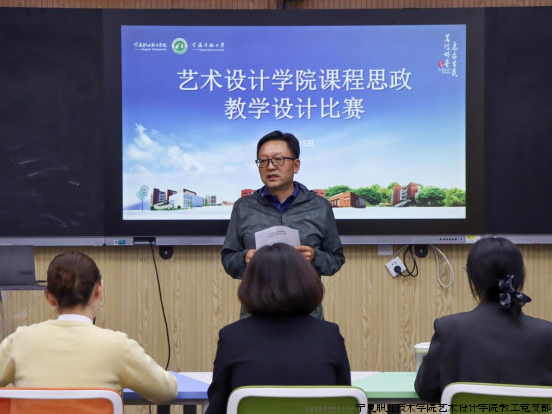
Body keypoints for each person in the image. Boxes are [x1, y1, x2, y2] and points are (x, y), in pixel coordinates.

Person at [0, 251, 177, 404]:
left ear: (50, 297)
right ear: (98, 290)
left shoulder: (19, 341)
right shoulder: (118, 346)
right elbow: (166, 391)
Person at [207, 243, 351, 414]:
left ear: (250, 285)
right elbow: (345, 404)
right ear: (307, 281)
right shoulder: (329, 335)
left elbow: (218, 407)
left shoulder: (232, 337)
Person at [222, 130, 345, 319]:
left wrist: (314, 257)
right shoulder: (243, 207)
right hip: (256, 315)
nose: (270, 167)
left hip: (306, 315)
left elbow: (335, 260)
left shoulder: (319, 206)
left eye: (278, 159)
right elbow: (228, 260)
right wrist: (244, 258)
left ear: (296, 165)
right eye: (263, 161)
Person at [415, 236, 552, 403]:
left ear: (473, 283)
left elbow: (426, 390)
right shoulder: (547, 333)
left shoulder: (449, 329)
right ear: (519, 282)